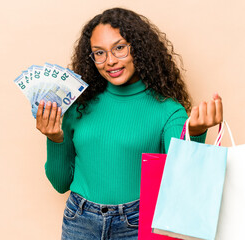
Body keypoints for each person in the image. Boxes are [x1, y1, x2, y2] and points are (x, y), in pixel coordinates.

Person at [36, 7, 223, 240]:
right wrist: (54, 139)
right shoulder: (79, 105)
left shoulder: (168, 111)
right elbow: (61, 183)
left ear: (139, 48)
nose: (110, 61)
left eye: (120, 48)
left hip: (137, 224)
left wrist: (195, 133)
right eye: (99, 53)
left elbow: (183, 184)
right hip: (80, 221)